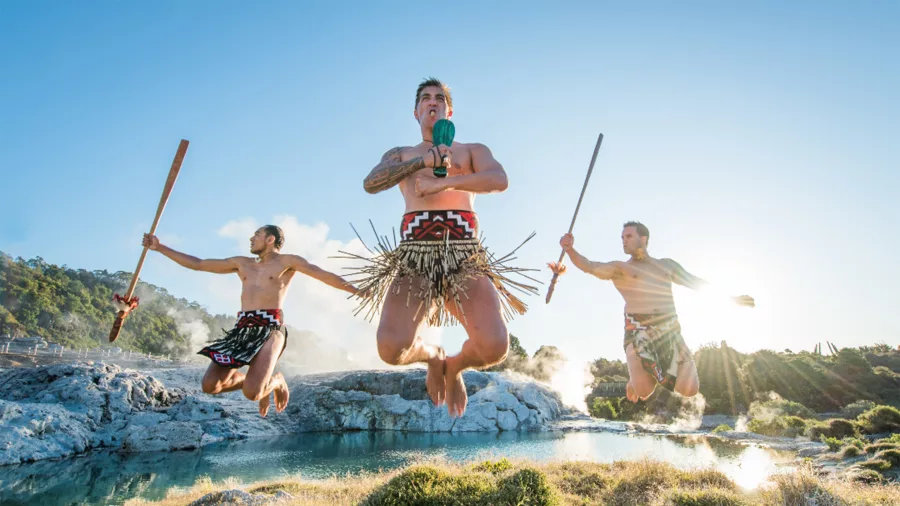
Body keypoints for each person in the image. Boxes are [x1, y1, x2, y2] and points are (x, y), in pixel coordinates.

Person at [345, 77, 539, 417]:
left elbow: (499, 180)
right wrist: (421, 163)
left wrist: (447, 182)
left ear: (449, 110)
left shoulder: (471, 151)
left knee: (494, 345)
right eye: (425, 98)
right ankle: (433, 356)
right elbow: (371, 183)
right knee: (390, 348)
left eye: (439, 98)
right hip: (414, 257)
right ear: (416, 111)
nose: (432, 102)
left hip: (464, 255)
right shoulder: (401, 153)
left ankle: (455, 364)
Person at [142, 225, 362, 416]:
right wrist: (159, 248)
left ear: (270, 239)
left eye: (257, 234)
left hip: (271, 329)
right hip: (243, 329)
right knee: (210, 385)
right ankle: (257, 382)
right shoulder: (242, 263)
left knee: (253, 393)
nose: (251, 238)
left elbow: (322, 274)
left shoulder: (288, 262)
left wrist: (356, 290)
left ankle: (276, 381)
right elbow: (198, 263)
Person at [549, 221, 754, 402]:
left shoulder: (666, 266)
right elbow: (591, 266)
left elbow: (695, 282)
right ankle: (634, 378)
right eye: (622, 237)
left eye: (629, 236)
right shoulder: (621, 269)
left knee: (690, 389)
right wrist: (570, 250)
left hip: (669, 331)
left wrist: (730, 298)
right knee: (644, 391)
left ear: (643, 238)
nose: (624, 241)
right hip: (638, 332)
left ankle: (651, 373)